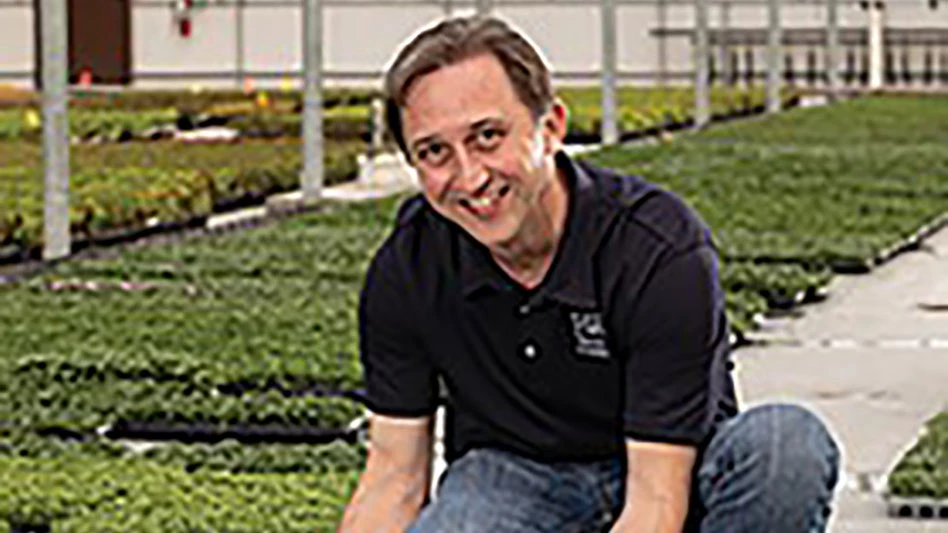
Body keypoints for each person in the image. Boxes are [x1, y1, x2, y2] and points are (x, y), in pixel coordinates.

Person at [340, 14, 840, 533]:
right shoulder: (409, 267)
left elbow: (656, 499)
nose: (469, 177)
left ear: (551, 127)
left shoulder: (654, 247)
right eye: (434, 152)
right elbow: (393, 478)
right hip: (515, 477)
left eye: (487, 136)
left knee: (786, 448)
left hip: (674, 470)